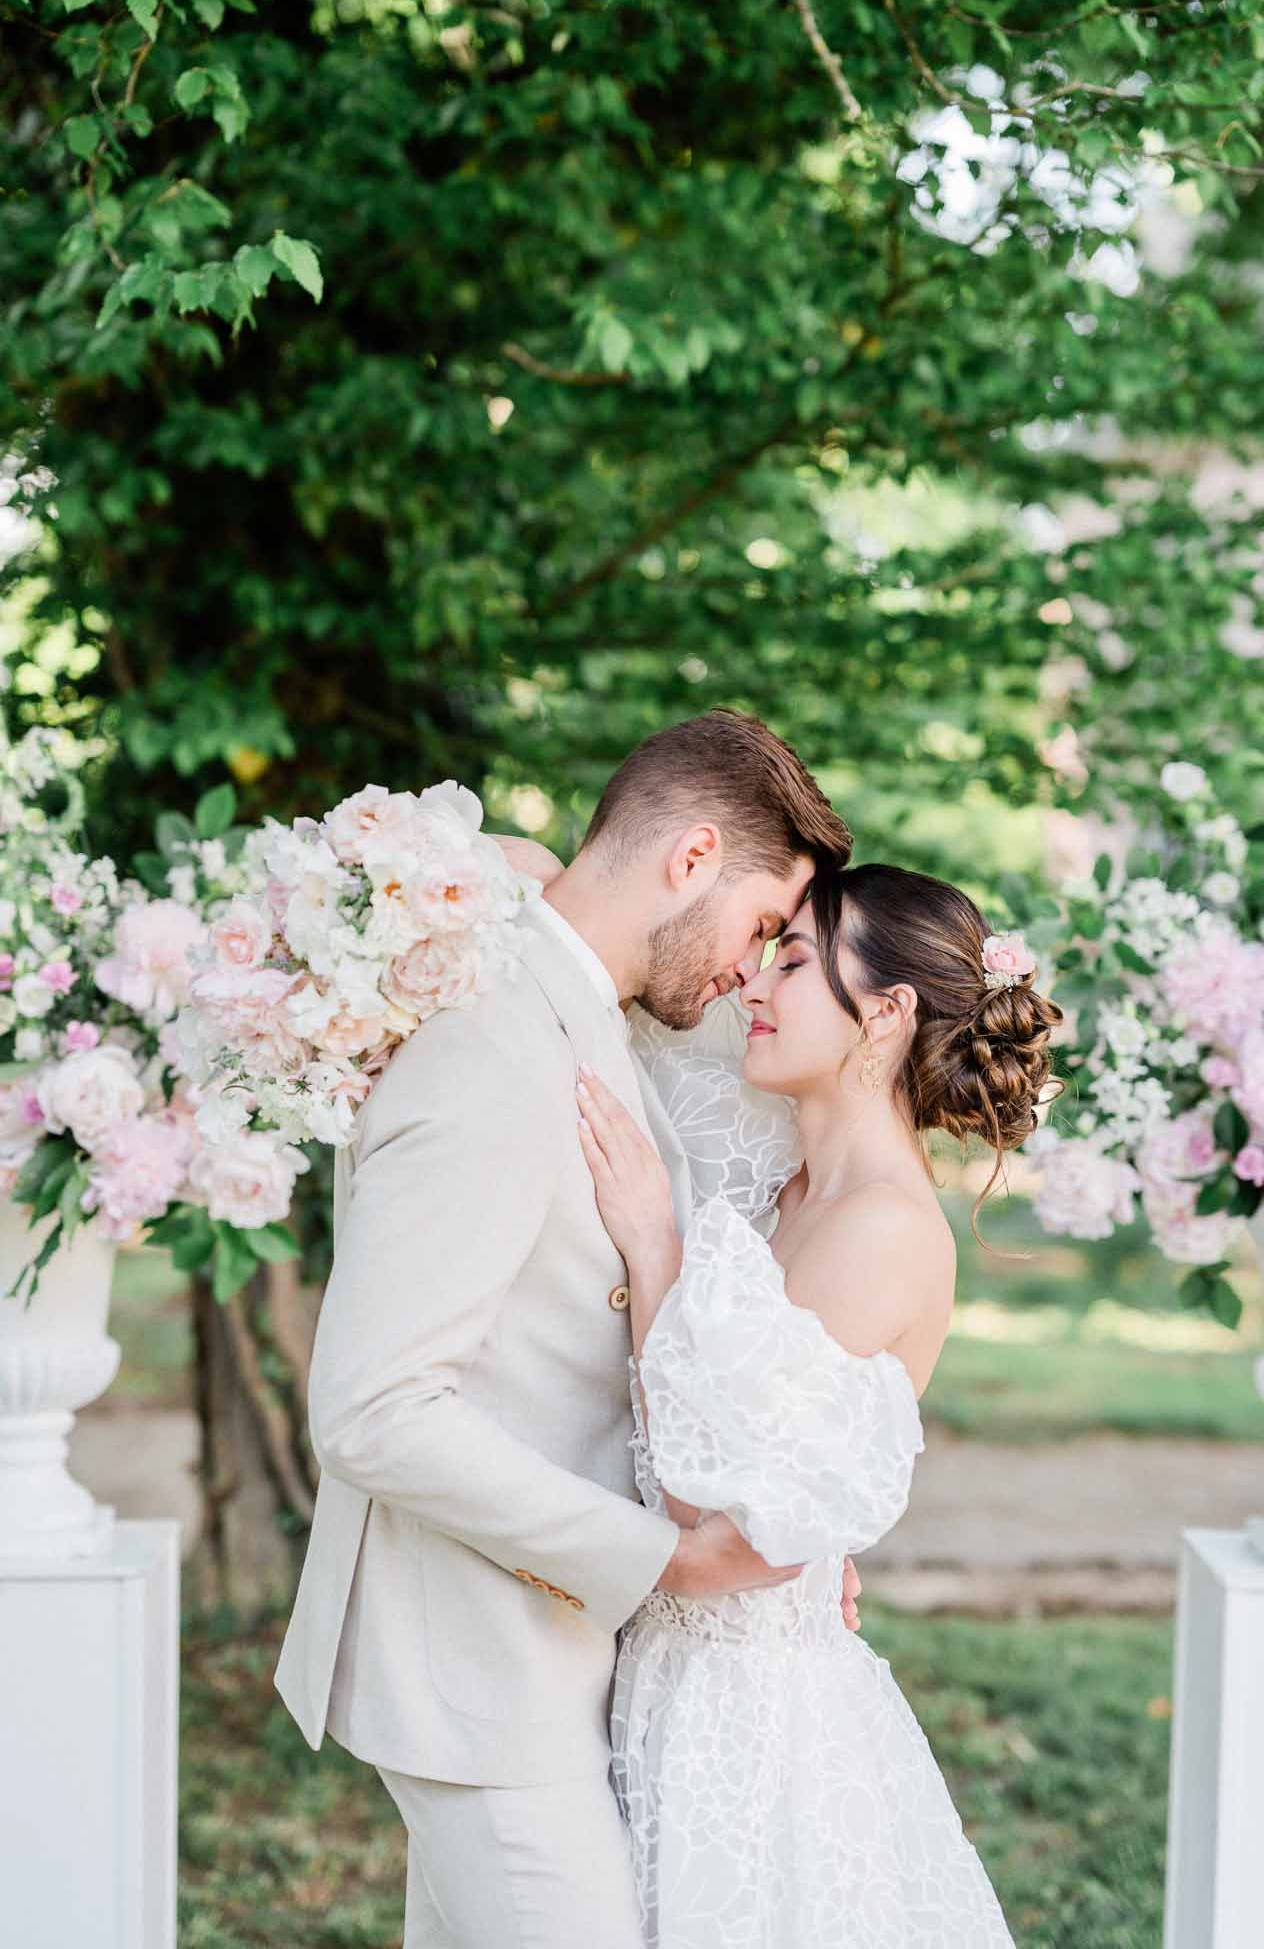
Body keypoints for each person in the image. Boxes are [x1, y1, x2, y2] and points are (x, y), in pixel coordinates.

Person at [272, 707, 854, 1948]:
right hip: (473, 1674)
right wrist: (660, 1558)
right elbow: (375, 1409)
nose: (754, 967)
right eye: (762, 923)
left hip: (535, 1664)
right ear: (690, 857)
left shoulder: (577, 1008)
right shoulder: (495, 1041)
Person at [574, 862, 1065, 1948]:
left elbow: (711, 1504)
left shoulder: (882, 1231)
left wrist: (653, 1242)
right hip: (673, 1670)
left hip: (752, 1726)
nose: (753, 982)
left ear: (886, 1014)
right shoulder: (781, 1177)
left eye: (792, 961)